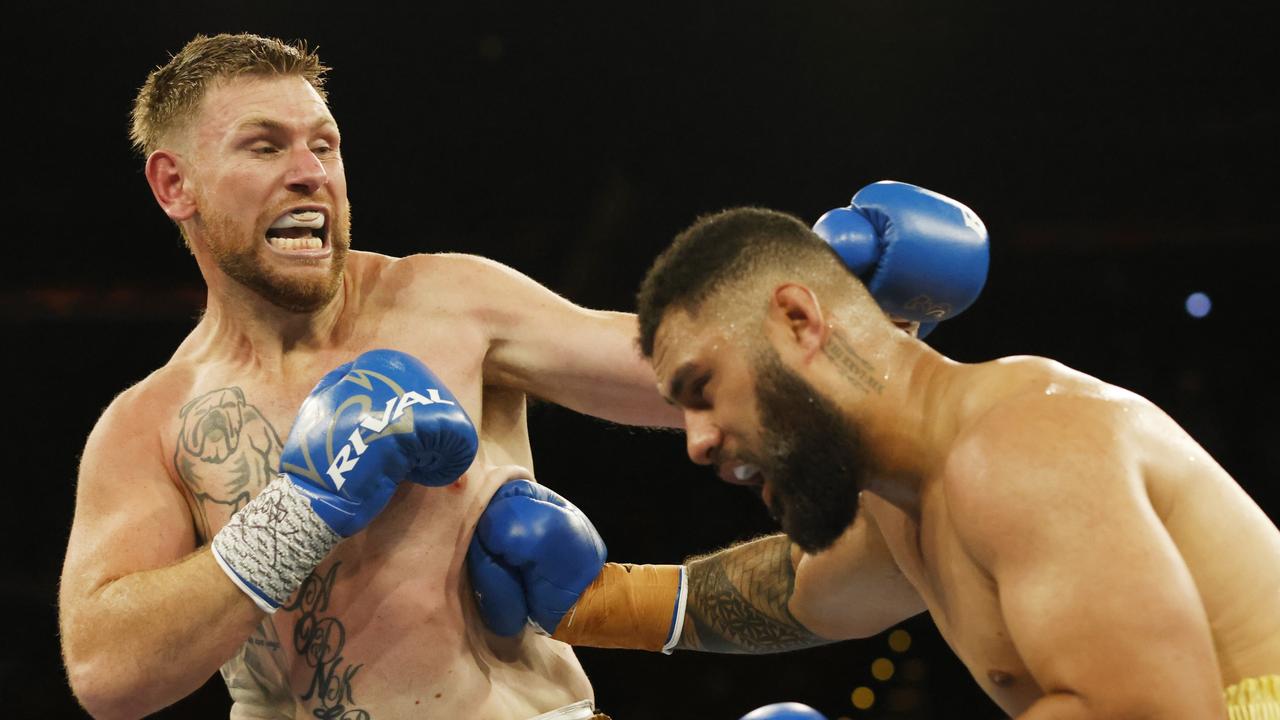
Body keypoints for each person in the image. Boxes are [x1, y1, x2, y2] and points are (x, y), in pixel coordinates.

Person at [468, 190, 1280, 718]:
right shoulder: (914, 501)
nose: (698, 440)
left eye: (703, 386)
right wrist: (588, 603)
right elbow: (795, 593)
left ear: (798, 320)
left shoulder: (1021, 448)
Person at [57, 32, 678, 719]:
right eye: (265, 146)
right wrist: (299, 512)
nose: (309, 171)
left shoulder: (451, 304)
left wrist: (807, 317)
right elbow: (105, 674)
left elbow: (684, 375)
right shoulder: (152, 422)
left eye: (323, 145)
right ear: (176, 185)